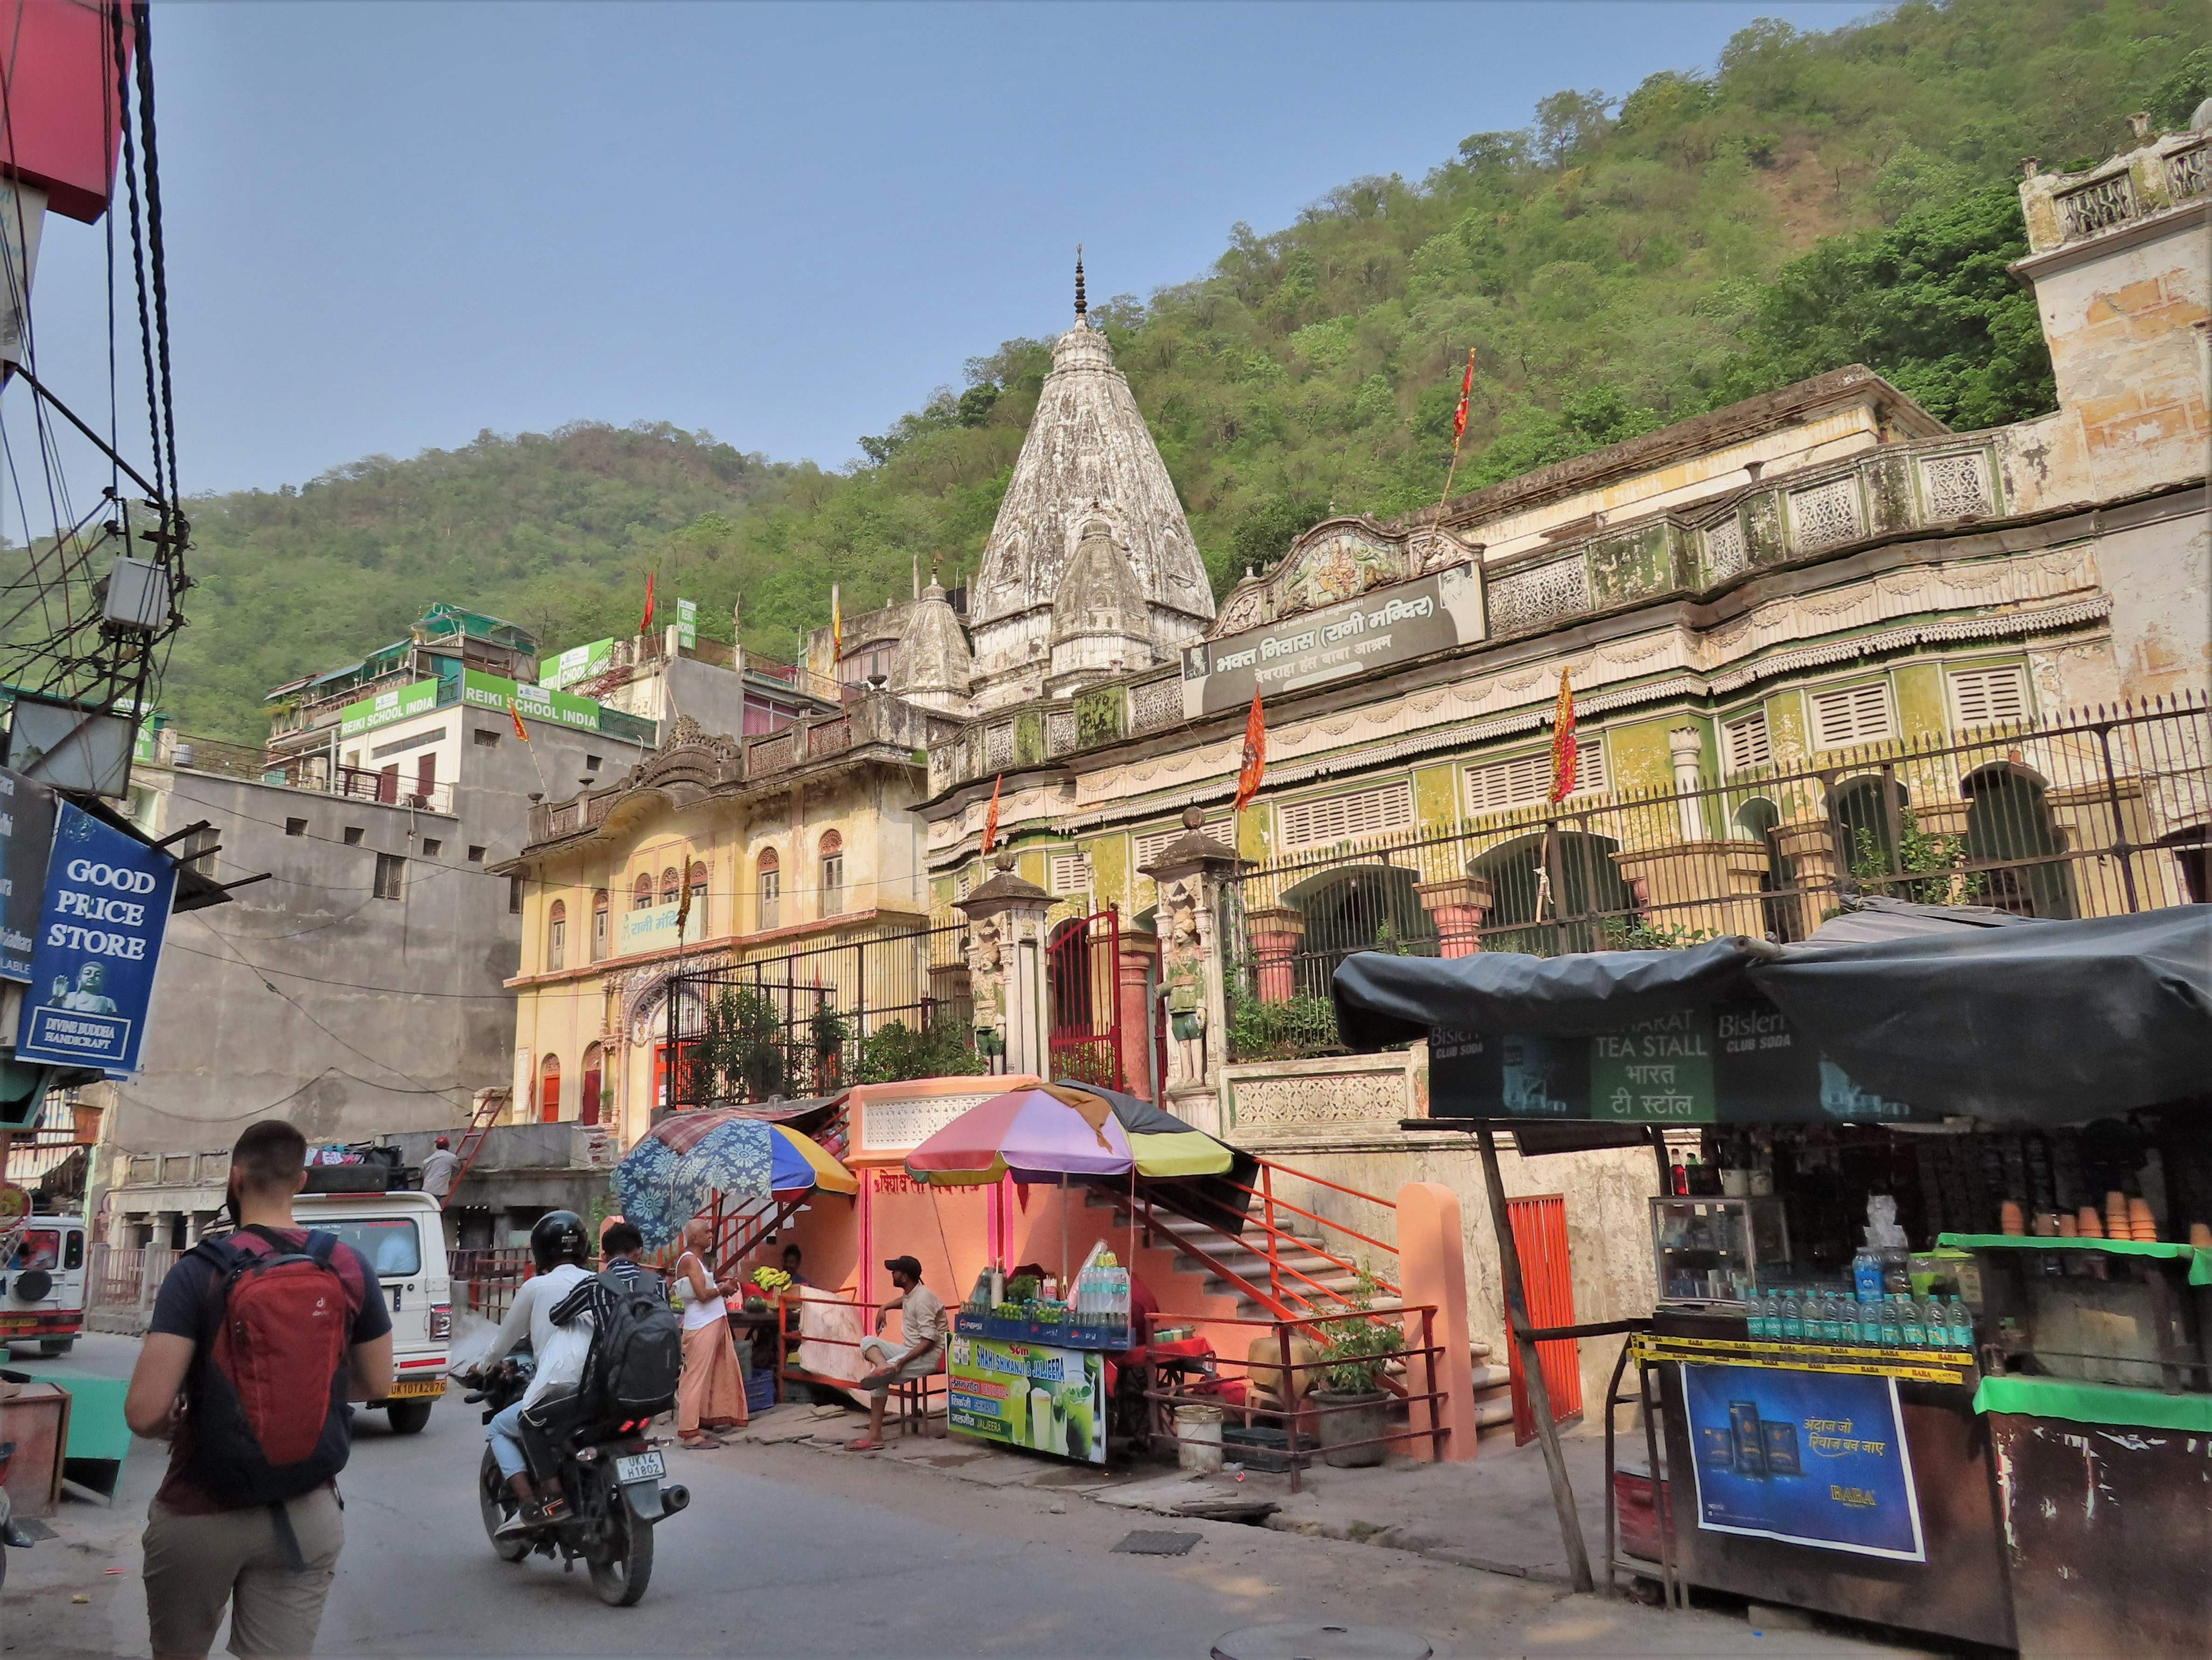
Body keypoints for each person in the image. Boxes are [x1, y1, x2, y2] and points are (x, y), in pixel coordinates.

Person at [124, 1120, 395, 1660]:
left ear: (235, 1177)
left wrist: (172, 1421)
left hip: (200, 1512)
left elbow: (144, 1411)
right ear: (300, 1181)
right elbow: (376, 1382)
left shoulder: (197, 1272)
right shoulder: (346, 1265)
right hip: (306, 1512)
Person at [474, 1210, 596, 1537]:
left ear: (540, 1251)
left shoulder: (536, 1287)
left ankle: (536, 1502)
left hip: (562, 1389)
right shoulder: (599, 1283)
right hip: (605, 1386)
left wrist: (483, 1367)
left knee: (502, 1426)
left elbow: (504, 1341)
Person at [848, 1255, 946, 1451]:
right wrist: (884, 1307)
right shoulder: (913, 1293)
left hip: (931, 1355)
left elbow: (928, 1341)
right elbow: (906, 1300)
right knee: (868, 1341)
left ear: (905, 1277)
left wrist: (901, 1361)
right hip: (911, 1348)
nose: (892, 1274)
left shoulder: (924, 1299)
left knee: (880, 1379)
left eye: (895, 1271)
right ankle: (884, 1366)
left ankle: (875, 1436)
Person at [672, 1217, 748, 1448]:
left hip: (711, 1321)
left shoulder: (696, 1261)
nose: (711, 1235)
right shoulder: (690, 1261)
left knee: (715, 1373)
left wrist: (720, 1283)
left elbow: (703, 1288)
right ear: (695, 1238)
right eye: (707, 1232)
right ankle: (689, 1432)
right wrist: (722, 1289)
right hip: (702, 1324)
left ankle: (707, 1418)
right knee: (694, 1378)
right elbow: (704, 1295)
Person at [418, 1135, 461, 1200]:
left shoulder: (429, 1159)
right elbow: (459, 1166)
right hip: (437, 1190)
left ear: (437, 1146)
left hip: (427, 1188)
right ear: (448, 1146)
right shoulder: (452, 1157)